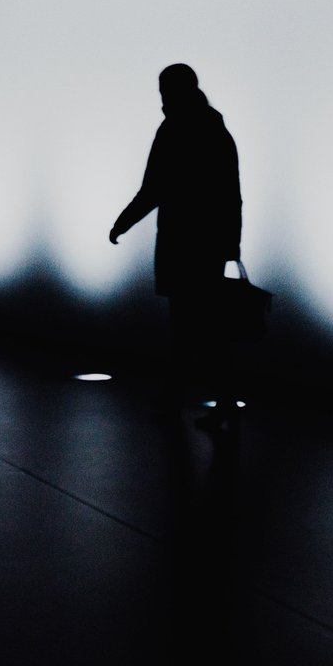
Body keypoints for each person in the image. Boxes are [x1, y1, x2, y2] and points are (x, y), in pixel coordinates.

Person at [110, 63, 244, 411]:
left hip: (180, 240)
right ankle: (220, 400)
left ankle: (179, 396)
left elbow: (154, 187)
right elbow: (230, 192)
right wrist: (231, 243)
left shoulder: (172, 130)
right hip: (210, 244)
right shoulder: (214, 129)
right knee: (211, 327)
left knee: (185, 324)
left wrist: (123, 222)